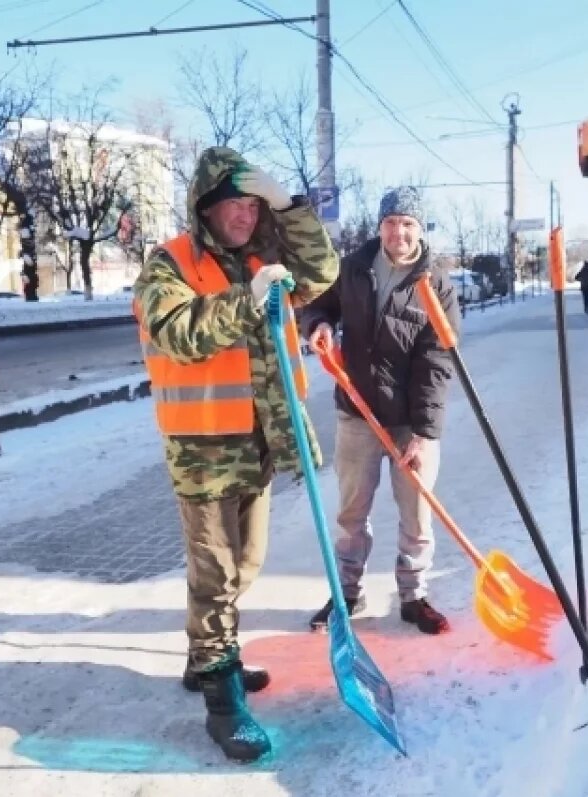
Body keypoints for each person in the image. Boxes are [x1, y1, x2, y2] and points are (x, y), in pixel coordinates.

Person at [132, 146, 338, 762]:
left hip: (257, 443)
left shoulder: (262, 259)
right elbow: (179, 332)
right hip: (202, 451)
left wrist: (291, 207)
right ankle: (223, 704)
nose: (247, 216)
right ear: (207, 207)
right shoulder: (168, 263)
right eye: (237, 204)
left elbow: (321, 271)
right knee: (216, 578)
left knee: (246, 566)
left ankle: (206, 659)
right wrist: (246, 299)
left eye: (255, 206)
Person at [301, 186, 460, 636]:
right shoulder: (352, 269)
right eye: (391, 222)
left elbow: (437, 362)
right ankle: (347, 592)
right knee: (352, 511)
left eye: (408, 223)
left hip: (411, 420)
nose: (399, 232)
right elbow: (317, 307)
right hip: (357, 411)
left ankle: (414, 596)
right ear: (380, 226)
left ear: (420, 228)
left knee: (417, 512)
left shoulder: (437, 286)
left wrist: (423, 432)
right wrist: (319, 328)